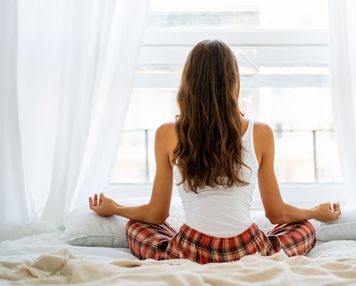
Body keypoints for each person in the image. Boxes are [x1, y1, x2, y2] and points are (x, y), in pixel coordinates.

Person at [88, 40, 341, 264]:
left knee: (136, 227)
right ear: (233, 81)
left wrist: (115, 208)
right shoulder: (261, 132)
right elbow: (277, 214)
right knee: (304, 228)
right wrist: (315, 213)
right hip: (247, 248)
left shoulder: (166, 133)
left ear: (188, 82)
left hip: (190, 249)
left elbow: (156, 215)